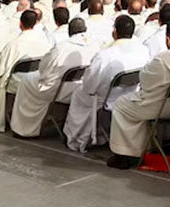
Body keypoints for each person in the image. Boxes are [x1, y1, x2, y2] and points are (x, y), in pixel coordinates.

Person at [107, 21, 170, 167]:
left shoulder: (162, 60)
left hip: (161, 107)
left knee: (121, 105)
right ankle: (157, 143)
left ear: (168, 39)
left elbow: (145, 81)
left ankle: (127, 153)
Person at [64, 15, 150, 152]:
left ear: (115, 32)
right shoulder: (143, 51)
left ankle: (77, 137)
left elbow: (89, 86)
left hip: (106, 98)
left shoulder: (105, 55)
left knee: (79, 94)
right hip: (131, 93)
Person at [11, 16, 101, 137]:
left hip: (58, 90)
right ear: (85, 29)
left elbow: (44, 67)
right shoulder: (95, 45)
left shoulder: (61, 48)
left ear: (69, 31)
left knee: (26, 81)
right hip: (80, 88)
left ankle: (24, 128)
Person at [0, 10, 53, 133]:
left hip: (18, 81)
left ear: (20, 24)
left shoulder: (14, 44)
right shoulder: (45, 41)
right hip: (37, 79)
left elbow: (2, 68)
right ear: (35, 23)